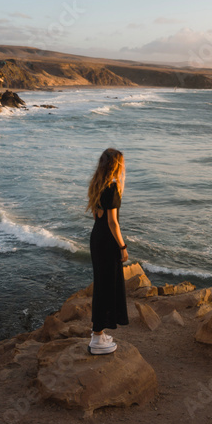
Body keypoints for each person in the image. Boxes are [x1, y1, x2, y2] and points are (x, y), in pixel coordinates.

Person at [86, 147, 129, 354]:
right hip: (108, 241)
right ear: (116, 166)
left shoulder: (97, 185)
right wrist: (122, 246)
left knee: (101, 285)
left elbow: (98, 218)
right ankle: (96, 339)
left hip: (97, 238)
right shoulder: (111, 188)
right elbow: (113, 223)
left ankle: (99, 333)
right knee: (105, 287)